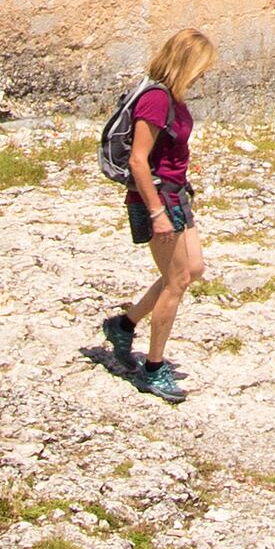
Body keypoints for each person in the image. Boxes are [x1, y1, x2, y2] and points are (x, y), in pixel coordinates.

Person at [105, 28, 212, 398]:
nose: (204, 74)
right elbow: (137, 160)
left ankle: (124, 324)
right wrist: (156, 213)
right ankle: (152, 368)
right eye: (201, 67)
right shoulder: (155, 99)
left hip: (176, 194)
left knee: (192, 269)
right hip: (159, 200)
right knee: (177, 281)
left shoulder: (174, 98)